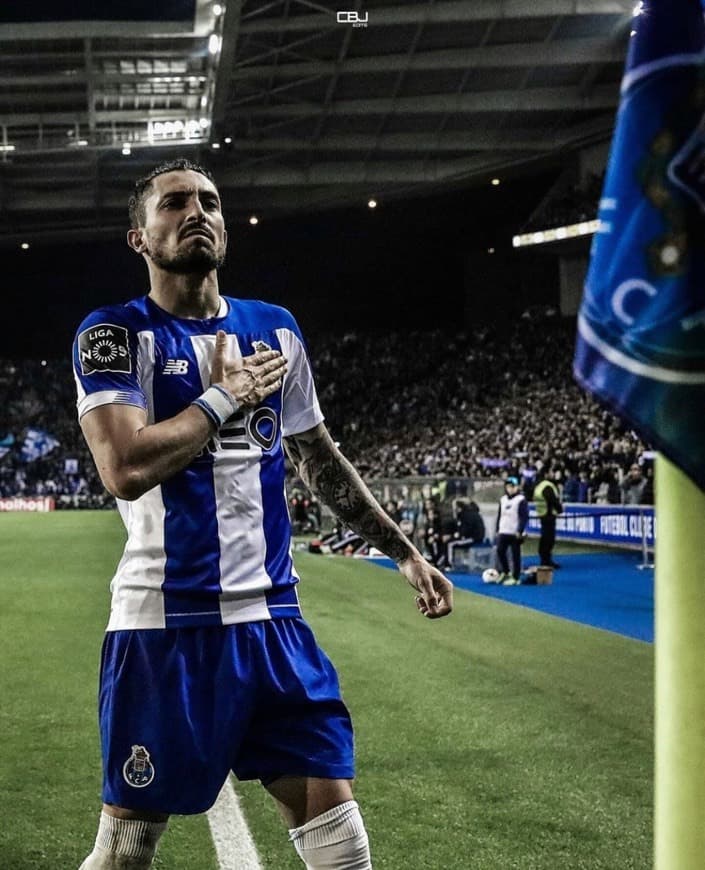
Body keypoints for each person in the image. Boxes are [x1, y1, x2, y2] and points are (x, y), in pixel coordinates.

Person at [72, 158, 453, 870]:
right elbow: (123, 469)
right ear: (139, 238)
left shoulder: (274, 329)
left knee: (344, 849)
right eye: (175, 203)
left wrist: (402, 550)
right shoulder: (115, 334)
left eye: (210, 202)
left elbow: (318, 458)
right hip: (168, 625)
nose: (197, 213)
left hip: (275, 623)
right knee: (126, 850)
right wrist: (224, 398)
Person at [494, 476, 528, 584]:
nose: (511, 489)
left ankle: (516, 577)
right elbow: (500, 515)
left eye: (513, 486)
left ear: (517, 487)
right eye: (508, 486)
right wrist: (497, 529)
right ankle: (506, 571)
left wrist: (520, 530)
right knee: (500, 551)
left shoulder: (521, 500)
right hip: (503, 529)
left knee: (515, 554)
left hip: (514, 531)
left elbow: (523, 517)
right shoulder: (503, 499)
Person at [533, 468, 563, 568]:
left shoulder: (538, 487)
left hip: (542, 514)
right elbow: (552, 500)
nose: (553, 474)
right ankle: (546, 560)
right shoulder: (547, 486)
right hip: (549, 515)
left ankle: (544, 559)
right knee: (549, 538)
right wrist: (560, 509)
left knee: (544, 537)